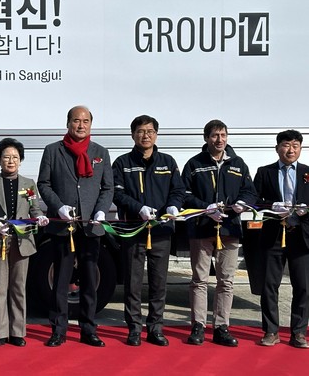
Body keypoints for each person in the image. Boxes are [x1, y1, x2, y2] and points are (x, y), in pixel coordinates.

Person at [36, 105, 114, 347]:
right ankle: (58, 329)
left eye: (85, 121)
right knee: (61, 279)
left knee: (90, 279)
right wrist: (58, 207)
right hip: (63, 226)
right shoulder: (53, 151)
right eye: (76, 121)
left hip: (91, 226)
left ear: (91, 124)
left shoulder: (100, 152)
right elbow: (44, 184)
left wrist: (101, 210)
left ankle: (88, 329)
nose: (81, 125)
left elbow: (107, 187)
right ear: (68, 123)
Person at [182, 119, 257, 347]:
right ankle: (198, 326)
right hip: (202, 228)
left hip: (229, 228)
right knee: (199, 280)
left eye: (223, 135)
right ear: (206, 138)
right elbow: (184, 194)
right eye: (215, 135)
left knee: (226, 281)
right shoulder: (194, 164)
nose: (219, 139)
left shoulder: (238, 163)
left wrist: (243, 203)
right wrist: (206, 208)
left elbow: (250, 191)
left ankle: (221, 327)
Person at [112, 115, 184, 347]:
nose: (146, 135)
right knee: (133, 282)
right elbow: (117, 194)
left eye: (150, 131)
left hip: (161, 231)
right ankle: (134, 328)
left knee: (158, 282)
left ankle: (156, 328)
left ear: (156, 134)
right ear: (133, 134)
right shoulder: (122, 163)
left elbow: (178, 190)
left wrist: (173, 206)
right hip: (134, 230)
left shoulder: (167, 162)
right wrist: (138, 208)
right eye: (141, 131)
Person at [0, 138, 48, 347]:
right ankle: (0, 332)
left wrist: (40, 217)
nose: (11, 161)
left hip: (22, 241)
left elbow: (35, 209)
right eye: (6, 157)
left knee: (18, 288)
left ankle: (18, 332)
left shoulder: (28, 183)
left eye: (15, 157)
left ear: (21, 160)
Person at [253, 129, 309, 349]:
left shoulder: (307, 172)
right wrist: (271, 205)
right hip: (273, 235)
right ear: (277, 148)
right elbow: (254, 200)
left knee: (303, 286)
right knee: (269, 285)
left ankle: (299, 332)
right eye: (286, 145)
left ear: (300, 149)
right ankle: (271, 331)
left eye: (295, 146)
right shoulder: (265, 172)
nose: (291, 150)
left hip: (301, 236)